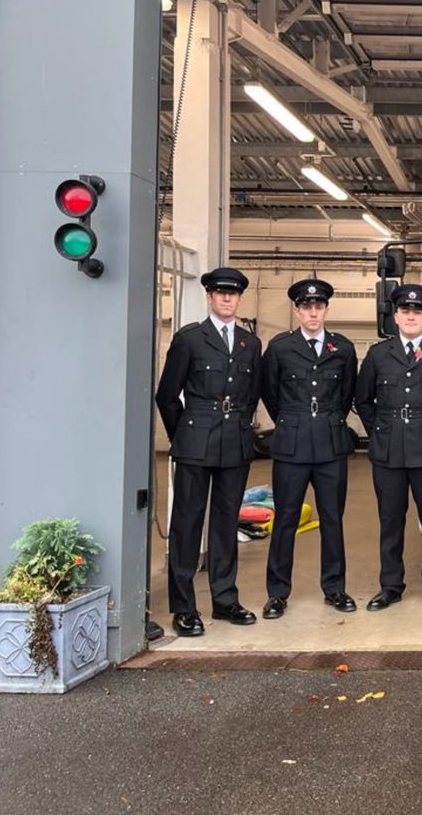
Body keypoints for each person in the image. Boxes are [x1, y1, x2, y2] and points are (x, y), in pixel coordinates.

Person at [155, 267, 262, 637]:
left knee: (226, 522)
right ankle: (184, 607)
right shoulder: (190, 339)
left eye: (233, 294)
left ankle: (225, 599)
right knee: (187, 524)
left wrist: (241, 427)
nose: (227, 299)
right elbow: (167, 396)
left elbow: (251, 395)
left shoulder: (250, 344)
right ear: (210, 296)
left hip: (234, 441)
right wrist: (186, 433)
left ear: (240, 298)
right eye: (220, 293)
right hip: (195, 441)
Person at [354, 284, 422, 612]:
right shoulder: (378, 354)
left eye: (418, 312)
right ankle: (390, 586)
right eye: (405, 311)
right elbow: (363, 400)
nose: (411, 317)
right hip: (389, 451)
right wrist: (381, 431)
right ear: (396, 316)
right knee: (390, 521)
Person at [260, 279, 358, 619]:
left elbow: (346, 395)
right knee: (285, 520)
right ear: (297, 310)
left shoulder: (342, 348)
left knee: (332, 519)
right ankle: (277, 593)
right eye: (306, 307)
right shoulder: (280, 347)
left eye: (318, 307)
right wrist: (295, 420)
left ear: (326, 309)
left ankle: (335, 588)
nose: (313, 313)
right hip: (292, 444)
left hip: (330, 444)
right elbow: (270, 393)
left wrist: (325, 420)